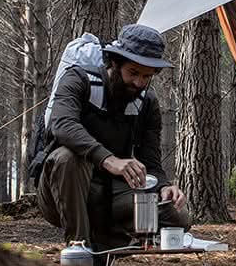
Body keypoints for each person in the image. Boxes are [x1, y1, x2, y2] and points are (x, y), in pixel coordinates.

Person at [37, 24, 189, 250]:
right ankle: (80, 251)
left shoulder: (146, 103)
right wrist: (109, 159)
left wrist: (164, 186)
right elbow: (62, 124)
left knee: (178, 217)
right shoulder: (77, 80)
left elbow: (151, 161)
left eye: (147, 76)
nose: (139, 83)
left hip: (110, 194)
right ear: (115, 63)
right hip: (61, 190)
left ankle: (110, 238)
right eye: (133, 73)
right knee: (68, 158)